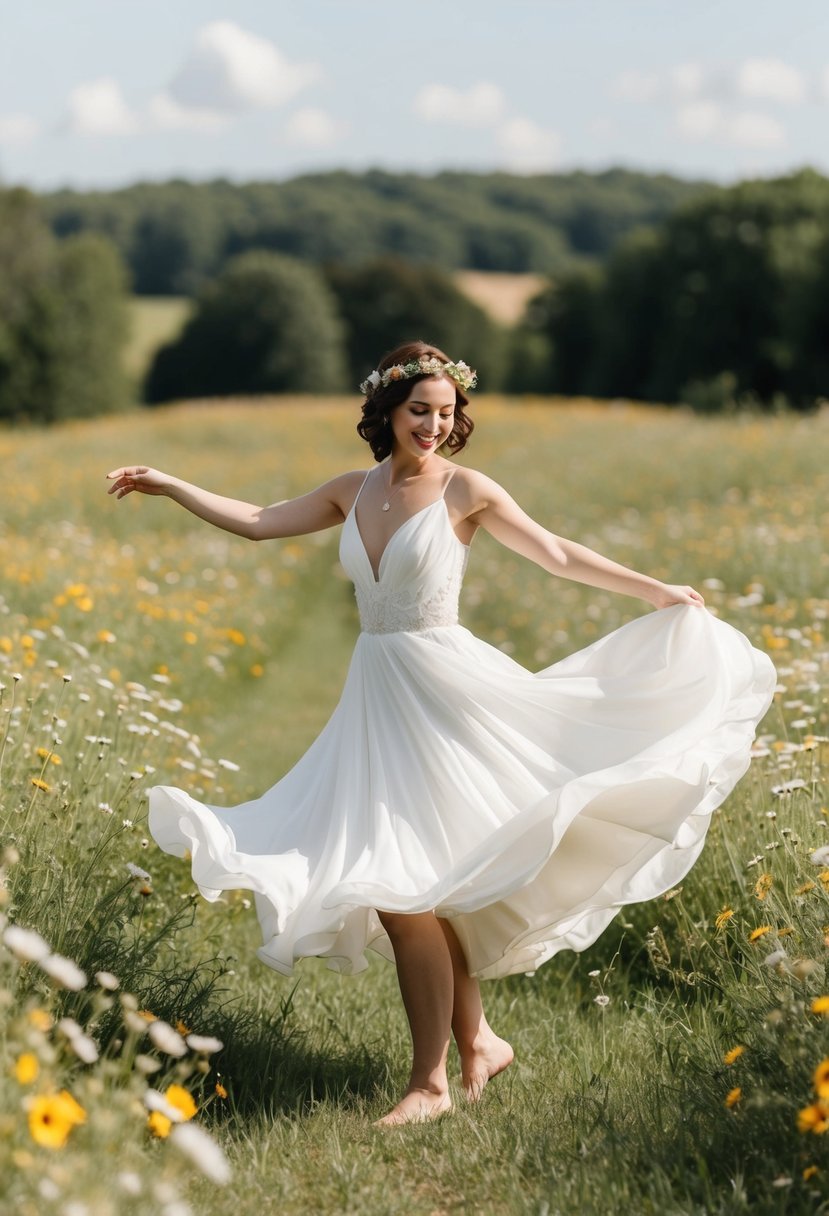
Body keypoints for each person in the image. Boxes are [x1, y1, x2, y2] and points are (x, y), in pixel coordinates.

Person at [107, 339, 776, 1126]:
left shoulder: (467, 490)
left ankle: (428, 1086)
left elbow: (556, 554)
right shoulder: (350, 492)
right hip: (379, 701)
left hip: (450, 695)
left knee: (404, 889)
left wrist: (656, 590)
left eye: (445, 413)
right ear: (386, 411)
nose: (432, 425)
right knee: (416, 884)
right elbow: (257, 521)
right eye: (418, 410)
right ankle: (479, 1041)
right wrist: (171, 485)